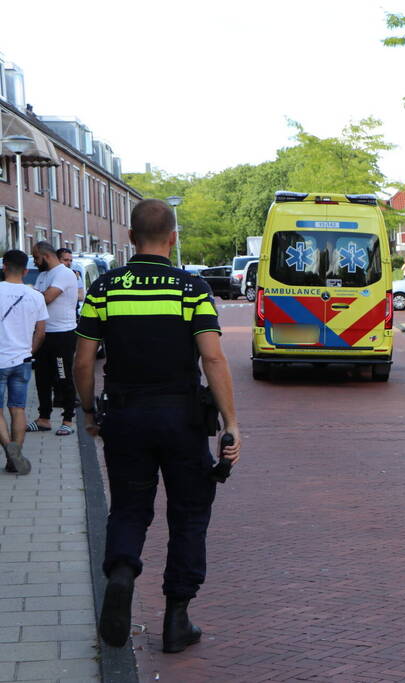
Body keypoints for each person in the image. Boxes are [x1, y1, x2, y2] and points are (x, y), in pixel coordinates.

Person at [73, 199, 241, 653]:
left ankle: (123, 572)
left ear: (130, 238)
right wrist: (231, 422)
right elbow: (212, 356)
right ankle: (176, 619)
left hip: (125, 417)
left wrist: (89, 412)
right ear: (173, 238)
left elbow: (84, 359)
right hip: (181, 418)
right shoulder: (190, 288)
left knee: (128, 508)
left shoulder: (106, 288)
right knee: (188, 514)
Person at [0, 250, 48, 475]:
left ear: (4, 267)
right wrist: (29, 351)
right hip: (23, 360)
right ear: (26, 271)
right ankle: (15, 456)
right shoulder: (36, 296)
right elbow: (41, 332)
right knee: (18, 409)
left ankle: (10, 452)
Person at [29, 242, 80, 436]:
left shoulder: (63, 273)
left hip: (62, 335)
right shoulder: (43, 275)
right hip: (44, 334)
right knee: (42, 379)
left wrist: (29, 295)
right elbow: (37, 299)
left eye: (36, 257)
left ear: (46, 255)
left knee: (63, 376)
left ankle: (68, 420)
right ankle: (43, 419)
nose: (35, 261)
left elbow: (46, 298)